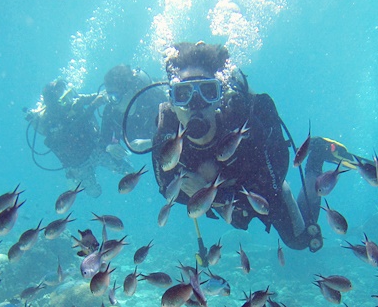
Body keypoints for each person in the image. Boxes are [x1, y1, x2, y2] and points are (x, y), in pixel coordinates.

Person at [150, 41, 355, 252]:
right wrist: (211, 195)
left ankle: (316, 155)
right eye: (183, 94)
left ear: (220, 97)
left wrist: (212, 193)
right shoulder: (166, 137)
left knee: (300, 241)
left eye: (208, 91)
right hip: (226, 206)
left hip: (264, 193)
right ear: (172, 104)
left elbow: (273, 180)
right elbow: (167, 189)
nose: (195, 105)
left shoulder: (244, 122)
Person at [26, 78, 133, 197]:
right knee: (94, 193)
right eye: (61, 95)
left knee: (130, 171)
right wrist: (93, 106)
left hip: (96, 147)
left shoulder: (73, 102)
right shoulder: (49, 121)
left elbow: (95, 97)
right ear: (52, 101)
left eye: (66, 92)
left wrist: (108, 95)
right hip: (78, 163)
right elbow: (73, 129)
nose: (67, 97)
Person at [101, 64, 164, 160]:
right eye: (109, 96)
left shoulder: (154, 101)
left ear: (130, 93)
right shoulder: (111, 110)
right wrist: (109, 147)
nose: (111, 102)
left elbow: (175, 132)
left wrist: (152, 142)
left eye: (115, 97)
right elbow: (103, 138)